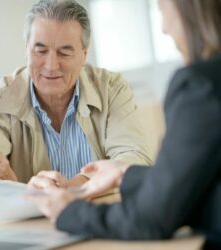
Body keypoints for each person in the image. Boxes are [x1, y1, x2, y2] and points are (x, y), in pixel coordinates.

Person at [27, 0, 221, 248]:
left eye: (163, 10)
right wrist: (125, 174)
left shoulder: (200, 87)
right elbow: (193, 185)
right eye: (40, 50)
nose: (163, 28)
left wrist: (70, 211)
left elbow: (152, 218)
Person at [0, 0, 152, 188]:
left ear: (84, 55)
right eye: (40, 50)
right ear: (26, 50)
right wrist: (23, 194)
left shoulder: (112, 89)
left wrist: (78, 185)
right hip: (30, 219)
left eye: (64, 53)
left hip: (98, 213)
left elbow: (135, 158)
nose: (51, 66)